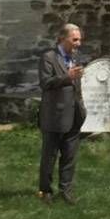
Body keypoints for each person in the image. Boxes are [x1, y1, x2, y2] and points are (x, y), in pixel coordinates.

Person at [37, 23, 86, 205]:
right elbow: (45, 83)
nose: (78, 43)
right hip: (54, 115)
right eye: (75, 40)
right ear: (62, 38)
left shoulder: (75, 57)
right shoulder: (48, 57)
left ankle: (66, 190)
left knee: (69, 156)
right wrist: (68, 77)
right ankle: (45, 191)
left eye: (79, 39)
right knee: (49, 156)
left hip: (74, 115)